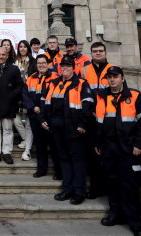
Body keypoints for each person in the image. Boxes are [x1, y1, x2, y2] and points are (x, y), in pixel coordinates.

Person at [93, 66, 141, 236]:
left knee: (130, 185)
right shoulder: (101, 96)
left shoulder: (134, 95)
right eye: (109, 77)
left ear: (122, 78)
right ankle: (115, 214)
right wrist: (97, 142)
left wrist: (139, 144)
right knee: (112, 182)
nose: (112, 80)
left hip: (128, 148)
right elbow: (98, 121)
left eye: (115, 76)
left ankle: (135, 222)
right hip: (108, 147)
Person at [41, 55, 93, 205]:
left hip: (74, 127)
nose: (64, 68)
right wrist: (43, 120)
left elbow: (88, 105)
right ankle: (67, 189)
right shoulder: (53, 83)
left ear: (73, 67)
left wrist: (83, 124)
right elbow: (44, 102)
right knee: (63, 158)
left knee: (77, 160)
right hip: (56, 127)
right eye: (62, 66)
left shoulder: (81, 83)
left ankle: (79, 192)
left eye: (68, 66)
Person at [82, 41, 115, 198]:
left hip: (109, 119)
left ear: (105, 53)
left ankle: (108, 188)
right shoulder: (85, 70)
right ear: (91, 53)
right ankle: (95, 189)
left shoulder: (113, 70)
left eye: (101, 51)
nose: (98, 53)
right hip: (92, 119)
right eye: (95, 51)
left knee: (108, 157)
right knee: (93, 156)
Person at [24, 54, 62, 179]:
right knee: (39, 145)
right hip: (35, 116)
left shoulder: (56, 77)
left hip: (50, 117)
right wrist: (32, 107)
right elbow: (24, 95)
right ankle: (42, 169)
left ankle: (59, 171)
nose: (41, 65)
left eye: (43, 63)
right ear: (36, 65)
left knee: (54, 145)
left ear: (48, 64)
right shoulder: (31, 78)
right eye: (39, 63)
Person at [13, 40, 35, 160]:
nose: (22, 49)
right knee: (16, 120)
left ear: (28, 48)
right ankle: (26, 140)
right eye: (20, 47)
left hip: (27, 94)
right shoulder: (14, 61)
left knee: (27, 123)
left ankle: (27, 150)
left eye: (24, 47)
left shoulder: (32, 61)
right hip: (16, 95)